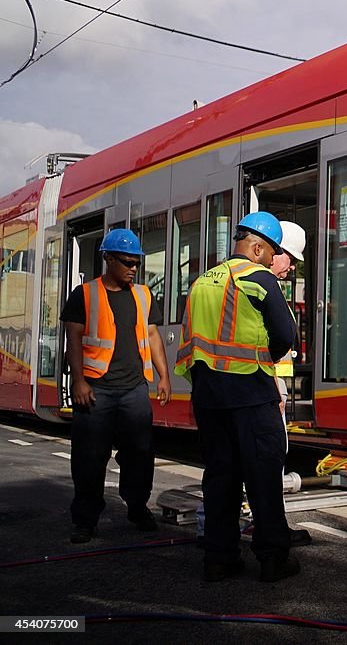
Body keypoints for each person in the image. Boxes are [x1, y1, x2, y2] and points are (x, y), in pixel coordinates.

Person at [175, 212, 299, 583]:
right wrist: (267, 359)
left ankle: (219, 558)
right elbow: (285, 334)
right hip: (250, 392)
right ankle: (273, 558)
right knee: (263, 478)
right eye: (272, 250)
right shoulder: (256, 277)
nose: (272, 258)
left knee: (221, 479)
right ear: (258, 247)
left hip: (209, 397)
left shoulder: (201, 282)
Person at [61, 228, 171, 544]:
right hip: (96, 390)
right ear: (107, 259)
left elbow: (151, 336)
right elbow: (74, 339)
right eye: (125, 262)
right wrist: (79, 381)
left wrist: (163, 376)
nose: (132, 268)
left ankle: (137, 507)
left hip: (134, 388)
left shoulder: (144, 294)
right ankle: (84, 520)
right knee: (89, 457)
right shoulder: (85, 294)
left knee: (140, 453)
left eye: (136, 261)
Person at [268, 220, 312, 547]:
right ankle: (273, 533)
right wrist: (274, 389)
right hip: (266, 389)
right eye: (290, 258)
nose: (292, 266)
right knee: (269, 460)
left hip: (259, 387)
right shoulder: (263, 286)